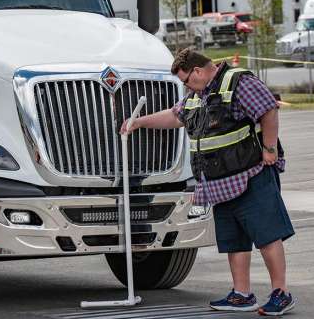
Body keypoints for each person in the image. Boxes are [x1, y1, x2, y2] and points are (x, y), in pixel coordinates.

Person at [121, 48, 296, 316]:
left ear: (199, 71)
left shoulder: (238, 82)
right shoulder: (197, 96)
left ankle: (281, 293)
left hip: (251, 173)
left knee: (267, 235)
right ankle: (241, 294)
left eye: (186, 80)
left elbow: (269, 110)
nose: (185, 86)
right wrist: (139, 122)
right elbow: (175, 116)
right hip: (219, 182)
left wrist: (269, 148)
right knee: (233, 240)